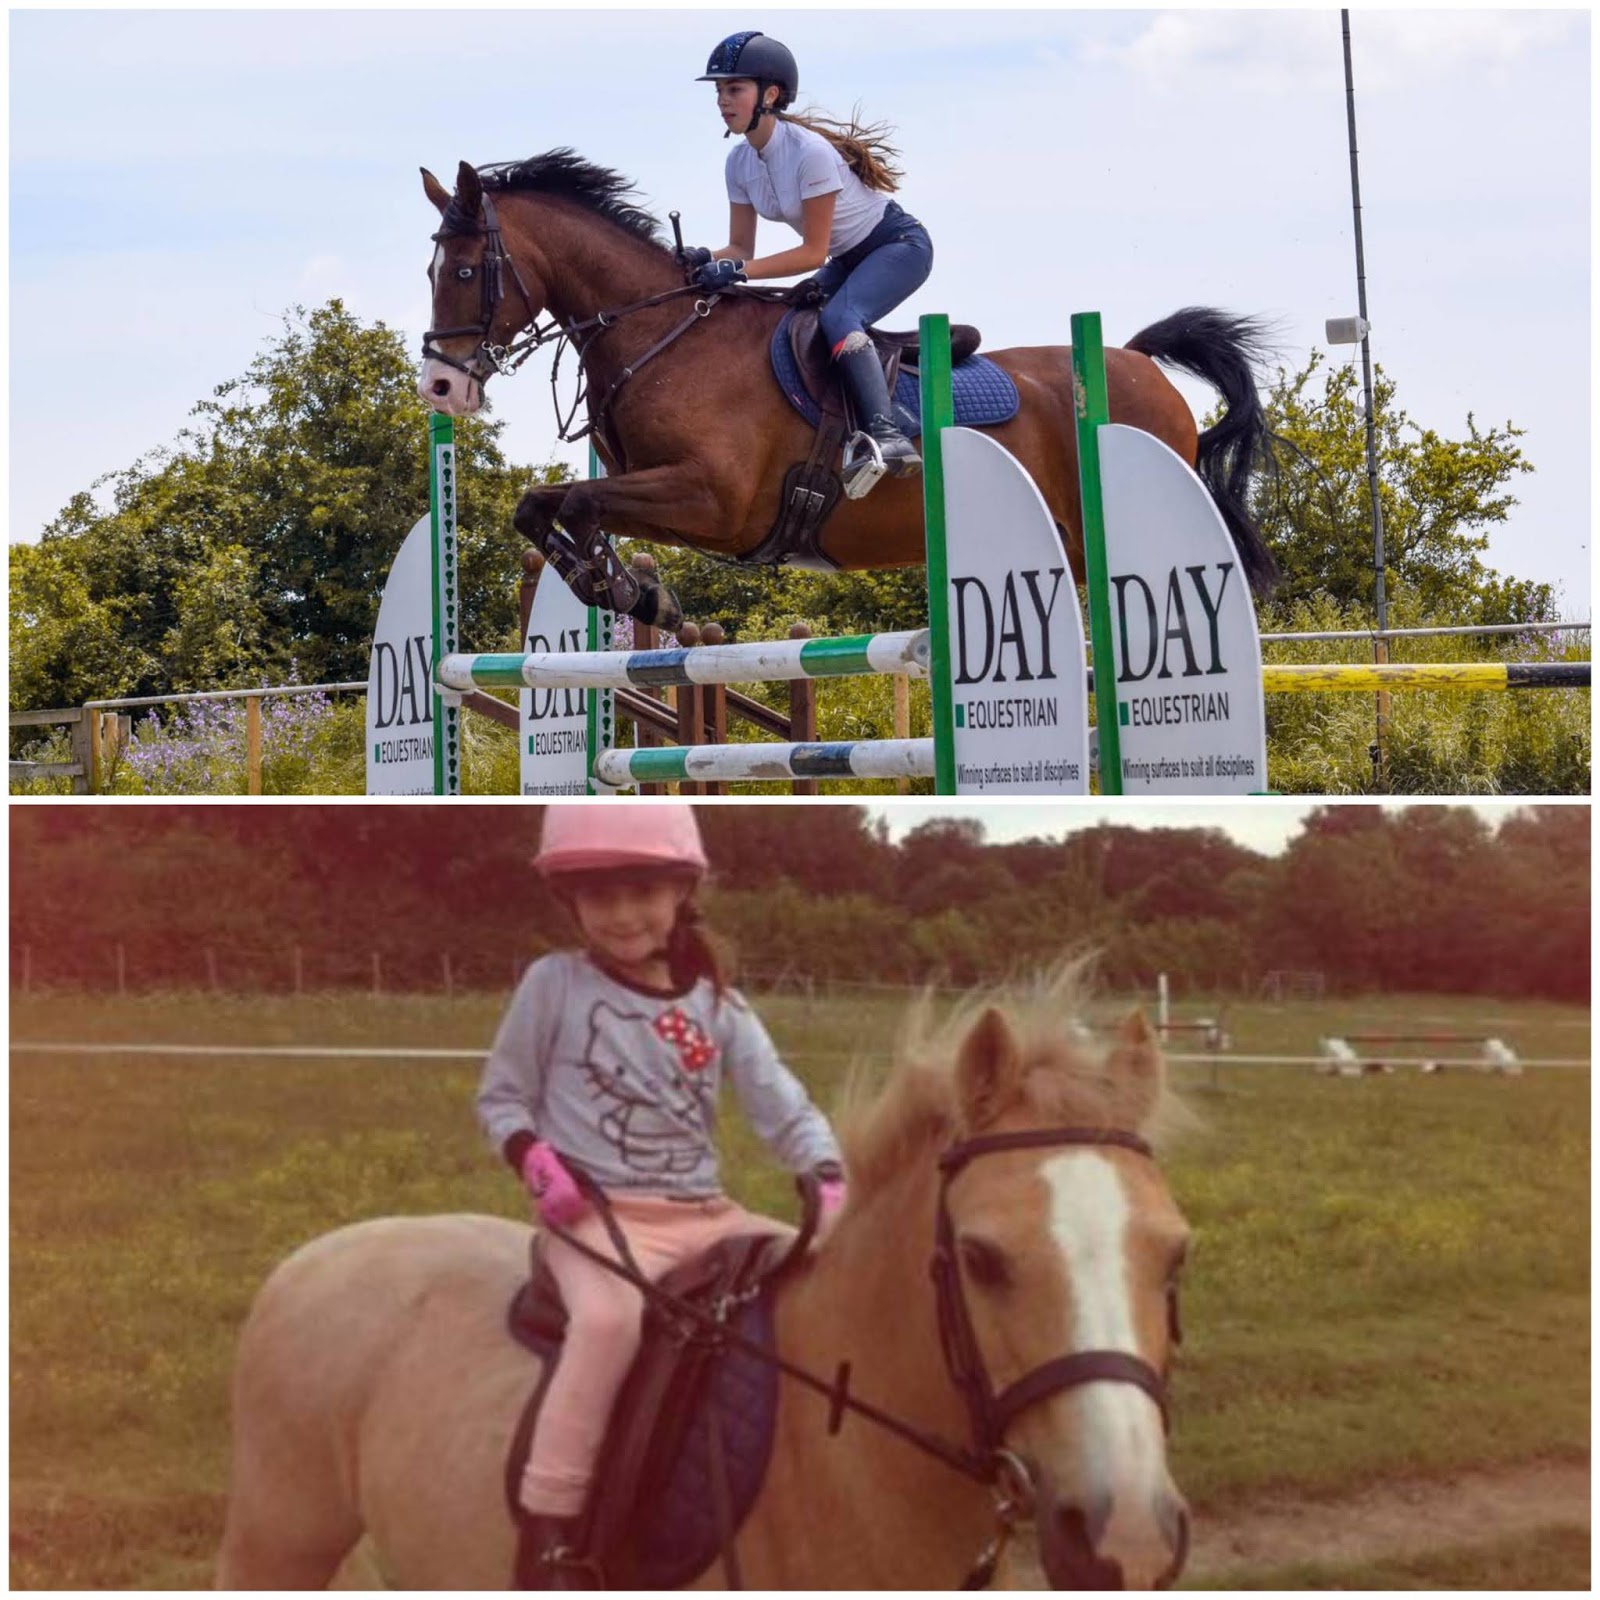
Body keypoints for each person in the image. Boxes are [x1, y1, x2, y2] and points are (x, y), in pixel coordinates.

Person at [477, 804, 846, 1589]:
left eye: (643, 890)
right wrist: (541, 1168)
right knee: (609, 1323)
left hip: (706, 1215)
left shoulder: (717, 1005)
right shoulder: (555, 985)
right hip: (601, 1220)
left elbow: (782, 1105)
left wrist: (825, 1171)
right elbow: (503, 1098)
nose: (621, 913)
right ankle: (554, 1522)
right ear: (570, 902)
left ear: (683, 891)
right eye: (599, 895)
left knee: (817, 1285)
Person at [687, 29, 933, 481]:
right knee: (793, 313)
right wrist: (699, 257)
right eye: (720, 91)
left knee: (841, 317)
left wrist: (737, 271)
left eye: (734, 89)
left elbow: (811, 252)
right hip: (847, 258)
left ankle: (889, 432)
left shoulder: (809, 154)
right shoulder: (738, 163)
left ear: (771, 94)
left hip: (897, 246)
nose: (723, 100)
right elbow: (741, 247)